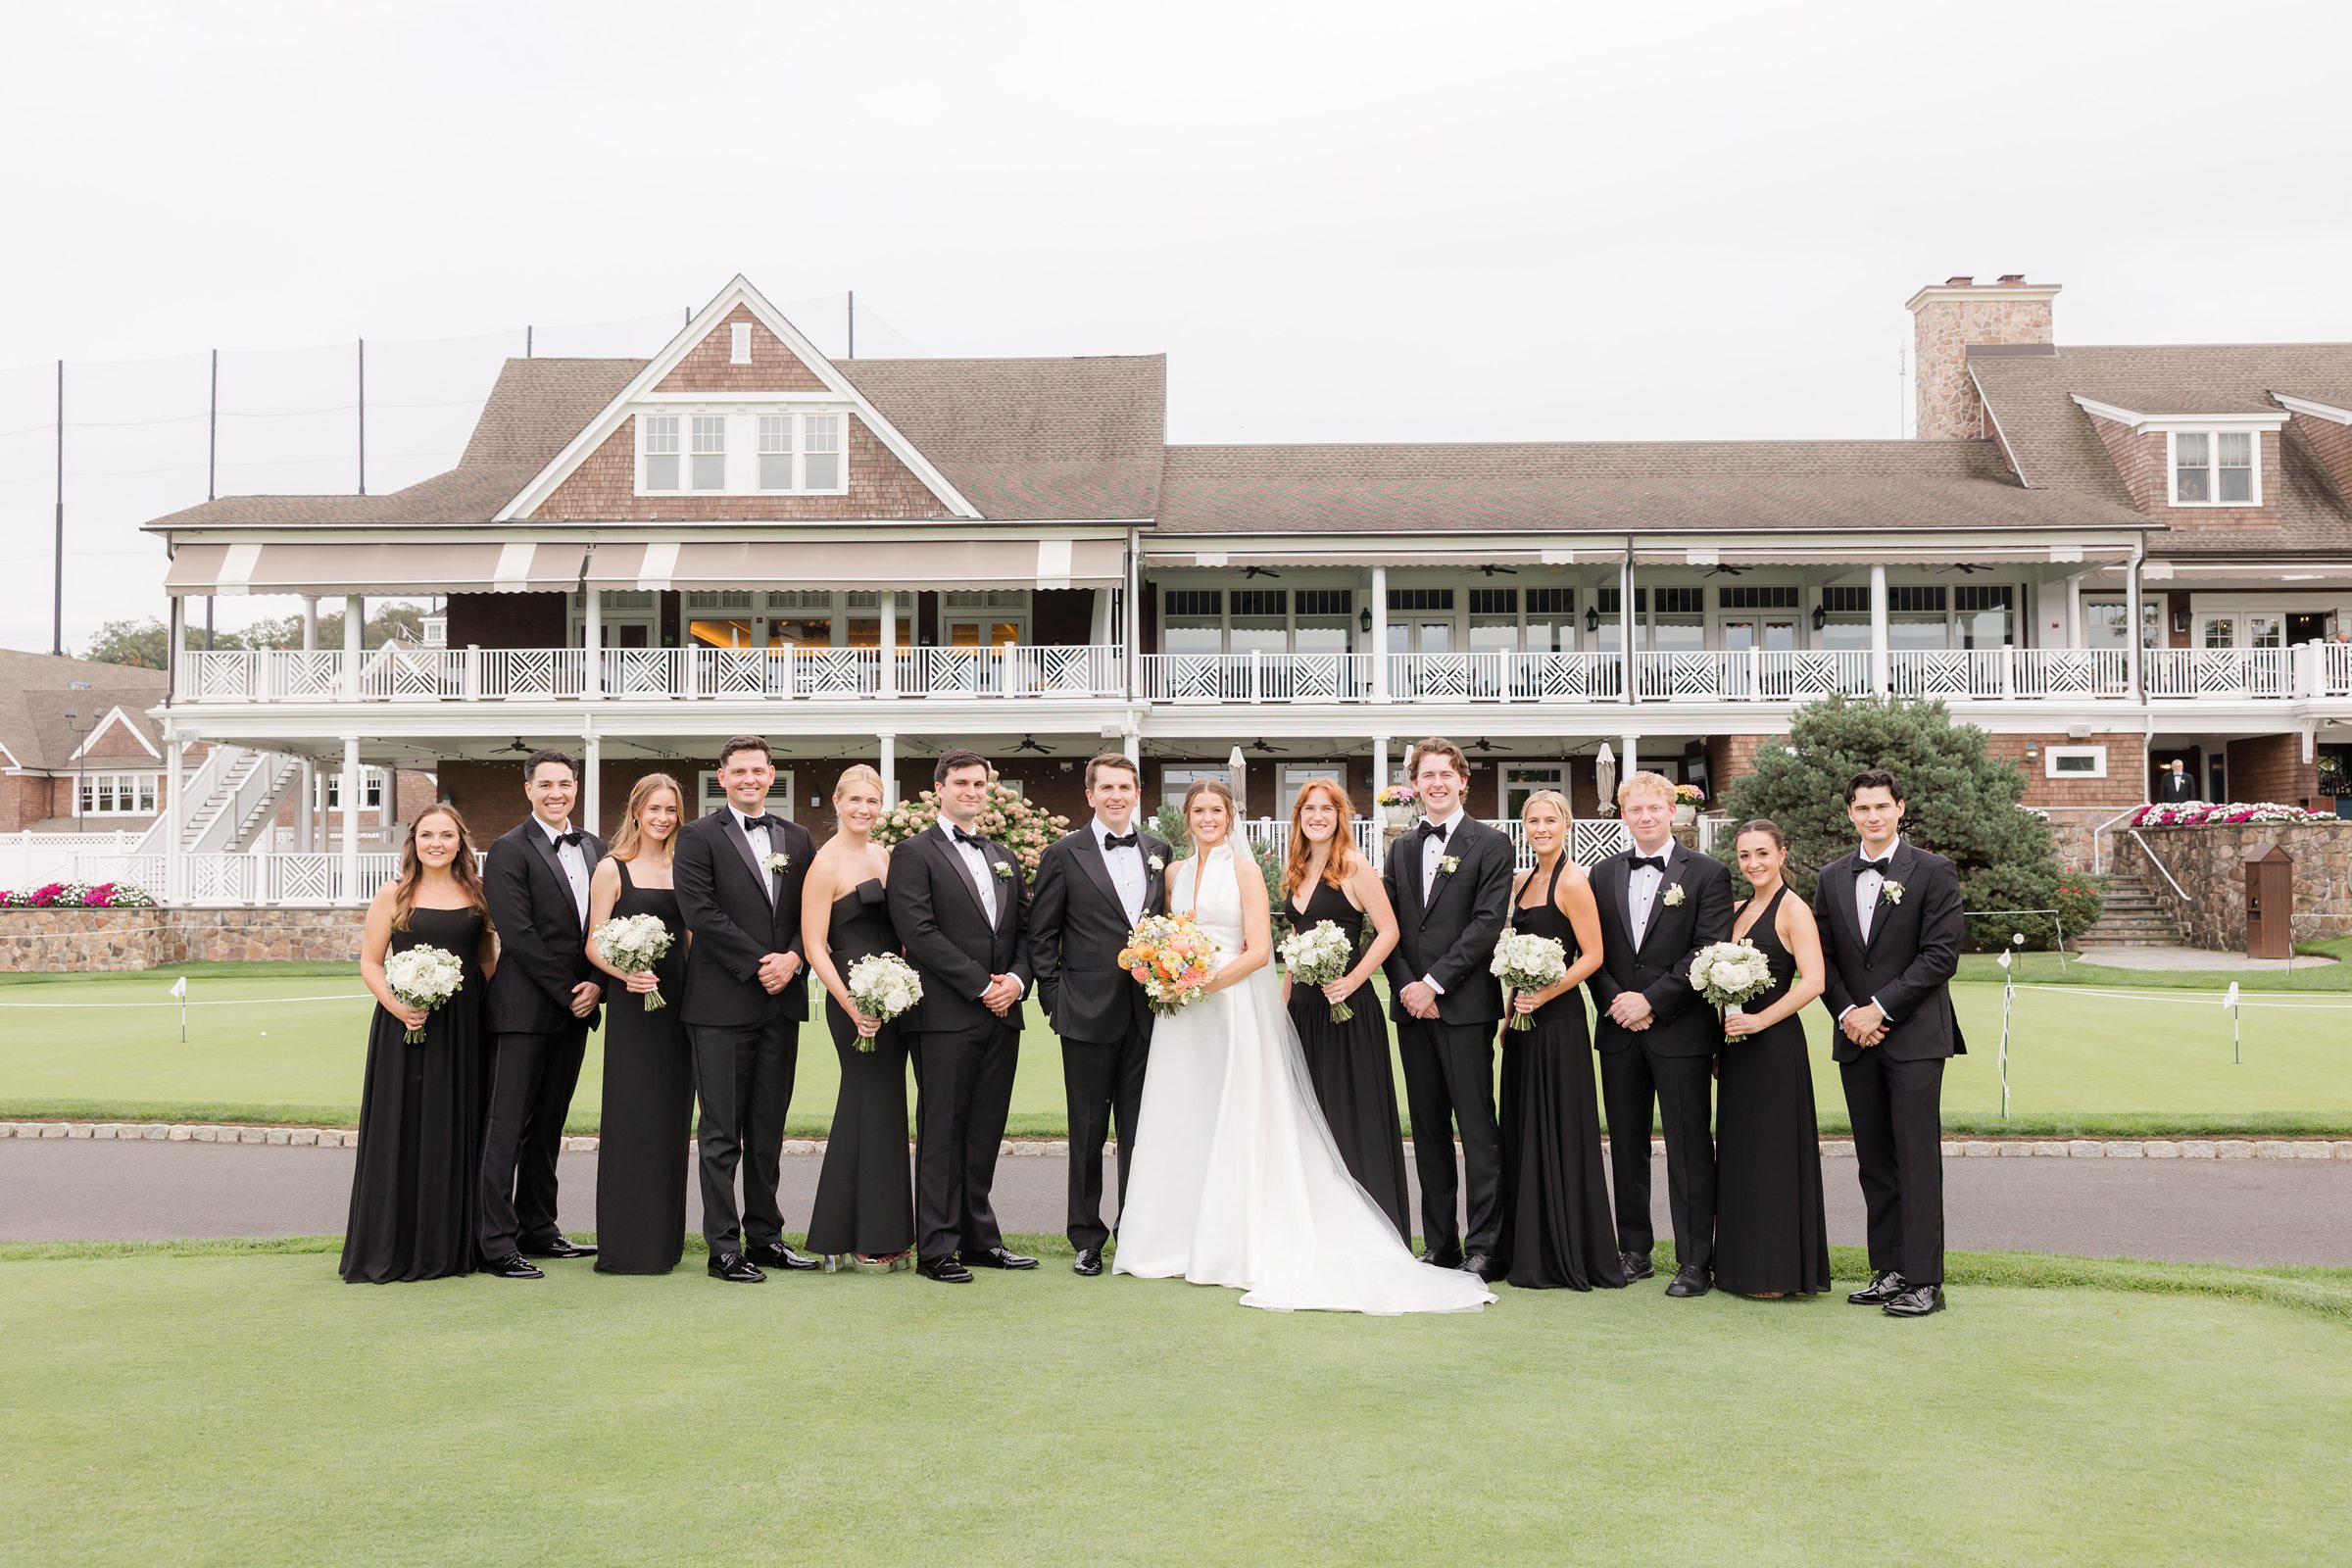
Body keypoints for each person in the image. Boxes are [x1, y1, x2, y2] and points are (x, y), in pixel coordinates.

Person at [1113, 779, 1491, 1315]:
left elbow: (1378, 934)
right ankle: (1177, 1233)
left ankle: (1389, 1230)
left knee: (1337, 1118)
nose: (1206, 818)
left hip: (1314, 1003)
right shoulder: (1259, 872)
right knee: (1219, 1114)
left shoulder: (1338, 867)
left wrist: (1350, 981)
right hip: (1258, 1009)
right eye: (1197, 810)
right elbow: (1283, 949)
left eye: (1215, 810)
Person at [1812, 768, 1965, 1319]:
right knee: (1874, 1160)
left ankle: (1926, 1280)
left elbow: (1940, 956)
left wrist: (1879, 1009)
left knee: (1916, 1160)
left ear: (1900, 808)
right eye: (1861, 808)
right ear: (1849, 813)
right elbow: (1822, 958)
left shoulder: (1933, 871)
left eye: (1881, 806)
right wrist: (1850, 1012)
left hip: (1915, 1038)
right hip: (1855, 1037)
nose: (1872, 816)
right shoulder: (1831, 876)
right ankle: (1889, 1270)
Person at [672, 735, 819, 1285]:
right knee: (719, 1132)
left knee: (768, 1128)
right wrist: (764, 962)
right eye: (740, 772)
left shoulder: (798, 836)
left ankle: (767, 1236)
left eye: (759, 770)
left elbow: (813, 912)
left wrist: (797, 959)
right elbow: (700, 911)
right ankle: (723, 1248)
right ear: (723, 776)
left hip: (781, 1005)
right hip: (720, 1004)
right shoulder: (698, 836)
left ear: (772, 774)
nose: (750, 779)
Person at [888, 751, 1036, 1285]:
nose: (972, 790)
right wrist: (981, 985)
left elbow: (1024, 931)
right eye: (961, 782)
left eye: (980, 783)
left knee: (984, 1131)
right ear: (939, 789)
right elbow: (918, 932)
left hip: (1002, 1014)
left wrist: (1016, 982)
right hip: (946, 1015)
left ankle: (980, 1239)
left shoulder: (1002, 853)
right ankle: (937, 1248)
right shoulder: (912, 852)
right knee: (942, 1132)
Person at [1588, 769, 1734, 1298]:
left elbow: (1707, 949)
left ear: (1672, 810)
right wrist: (1619, 1003)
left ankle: (1696, 1260)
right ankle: (1635, 1251)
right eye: (1635, 810)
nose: (1645, 817)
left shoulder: (1708, 874)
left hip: (1681, 1031)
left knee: (1689, 1146)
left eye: (1654, 808)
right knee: (1626, 1145)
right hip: (1619, 1030)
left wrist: (1652, 1000)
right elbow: (1594, 952)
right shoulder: (1600, 875)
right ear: (1623, 816)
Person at [1026, 752, 1170, 1276]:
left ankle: (1135, 1232)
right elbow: (1041, 935)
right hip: (1083, 1014)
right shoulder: (1063, 854)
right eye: (1105, 787)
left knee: (1140, 1131)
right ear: (1090, 795)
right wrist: (1053, 1000)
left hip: (1148, 1014)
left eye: (1125, 788)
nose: (1116, 796)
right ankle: (1087, 1237)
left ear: (1137, 794)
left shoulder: (1159, 850)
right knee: (1086, 1131)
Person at [342, 805, 497, 1284]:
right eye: (427, 834)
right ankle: (396, 1244)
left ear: (460, 841)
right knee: (404, 1127)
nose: (437, 843)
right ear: (413, 841)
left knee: (459, 1126)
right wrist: (397, 1005)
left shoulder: (478, 894)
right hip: (406, 1025)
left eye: (446, 835)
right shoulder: (393, 894)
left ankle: (452, 1246)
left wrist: (488, 1013)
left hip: (466, 1027)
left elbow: (488, 959)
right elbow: (371, 962)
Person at [1380, 738, 1513, 1280]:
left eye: (1445, 774)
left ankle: (1487, 1246)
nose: (1436, 783)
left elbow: (1486, 925)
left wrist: (1434, 984)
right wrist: (1410, 987)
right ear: (1415, 785)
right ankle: (1440, 1243)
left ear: (1463, 781)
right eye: (1426, 775)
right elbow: (1388, 928)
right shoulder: (1401, 849)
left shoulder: (1492, 844)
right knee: (1429, 1130)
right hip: (1413, 1010)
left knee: (1477, 1129)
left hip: (1463, 1008)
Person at [477, 750, 603, 1280]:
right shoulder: (507, 850)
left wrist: (597, 984)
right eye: (546, 783)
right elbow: (518, 933)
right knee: (506, 1127)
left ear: (576, 788)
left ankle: (539, 1227)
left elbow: (604, 926)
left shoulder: (595, 847)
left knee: (548, 1125)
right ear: (529, 789)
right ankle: (495, 1241)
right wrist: (569, 989)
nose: (557, 792)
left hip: (578, 1008)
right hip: (524, 1009)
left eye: (565, 783)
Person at [1496, 790, 1623, 1291]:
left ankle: (1566, 1251)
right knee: (1524, 1128)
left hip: (1559, 1021)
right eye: (1533, 820)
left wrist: (1545, 994)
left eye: (1551, 820)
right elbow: (1514, 956)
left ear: (1566, 825)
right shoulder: (1523, 880)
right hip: (1524, 1023)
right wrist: (1510, 1014)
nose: (1541, 828)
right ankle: (1526, 1247)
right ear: (1524, 827)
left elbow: (1592, 955)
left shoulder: (1573, 880)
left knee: (1559, 1128)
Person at [1278, 777, 1411, 1247]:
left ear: (1340, 817)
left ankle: (1371, 1232)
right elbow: (1294, 947)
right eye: (1309, 808)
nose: (1317, 816)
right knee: (1308, 1121)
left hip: (1347, 1010)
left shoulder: (1353, 865)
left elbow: (1389, 931)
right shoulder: (1294, 869)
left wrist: (1354, 981)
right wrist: (1283, 1007)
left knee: (1350, 1116)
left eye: (1327, 809)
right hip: (1304, 1013)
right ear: (1299, 817)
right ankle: (1317, 1230)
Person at [801, 764, 916, 1271]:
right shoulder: (824, 864)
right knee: (865, 1104)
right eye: (856, 801)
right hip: (853, 1000)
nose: (864, 809)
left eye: (873, 801)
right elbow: (814, 946)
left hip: (893, 997)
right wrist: (852, 1004)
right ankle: (859, 1234)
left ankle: (865, 1230)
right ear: (838, 803)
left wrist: (904, 982)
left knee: (885, 1108)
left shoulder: (884, 854)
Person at [1713, 818, 1831, 1299]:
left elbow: (1814, 981)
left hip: (1774, 1047)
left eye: (1762, 853)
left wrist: (1761, 1022)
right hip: (1736, 1048)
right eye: (1744, 855)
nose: (1753, 864)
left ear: (1782, 854)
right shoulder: (1738, 910)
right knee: (1739, 1154)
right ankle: (1740, 1267)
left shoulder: (1793, 909)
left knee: (1772, 1156)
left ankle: (1776, 1273)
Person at [584, 772, 692, 1276]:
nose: (663, 818)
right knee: (632, 1116)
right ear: (635, 811)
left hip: (679, 1005)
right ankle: (627, 1246)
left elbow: (692, 940)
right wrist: (624, 971)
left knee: (671, 1118)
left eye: (670, 809)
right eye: (654, 809)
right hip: (633, 1004)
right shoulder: (612, 868)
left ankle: (664, 1244)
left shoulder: (687, 865)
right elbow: (593, 942)